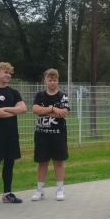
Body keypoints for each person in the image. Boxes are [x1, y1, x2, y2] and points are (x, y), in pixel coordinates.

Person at [0, 62, 27, 206]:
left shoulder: (14, 92)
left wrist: (5, 110)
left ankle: (7, 194)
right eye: (5, 72)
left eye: (10, 73)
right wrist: (13, 111)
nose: (8, 75)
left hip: (11, 134)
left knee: (9, 163)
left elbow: (23, 109)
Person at [31, 69, 70, 201]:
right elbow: (35, 109)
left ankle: (60, 190)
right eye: (50, 80)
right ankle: (39, 190)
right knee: (42, 162)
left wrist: (44, 111)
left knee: (58, 162)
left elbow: (63, 113)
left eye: (55, 80)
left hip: (58, 135)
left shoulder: (63, 96)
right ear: (45, 81)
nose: (52, 82)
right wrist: (53, 109)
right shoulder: (40, 95)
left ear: (58, 81)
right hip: (42, 135)